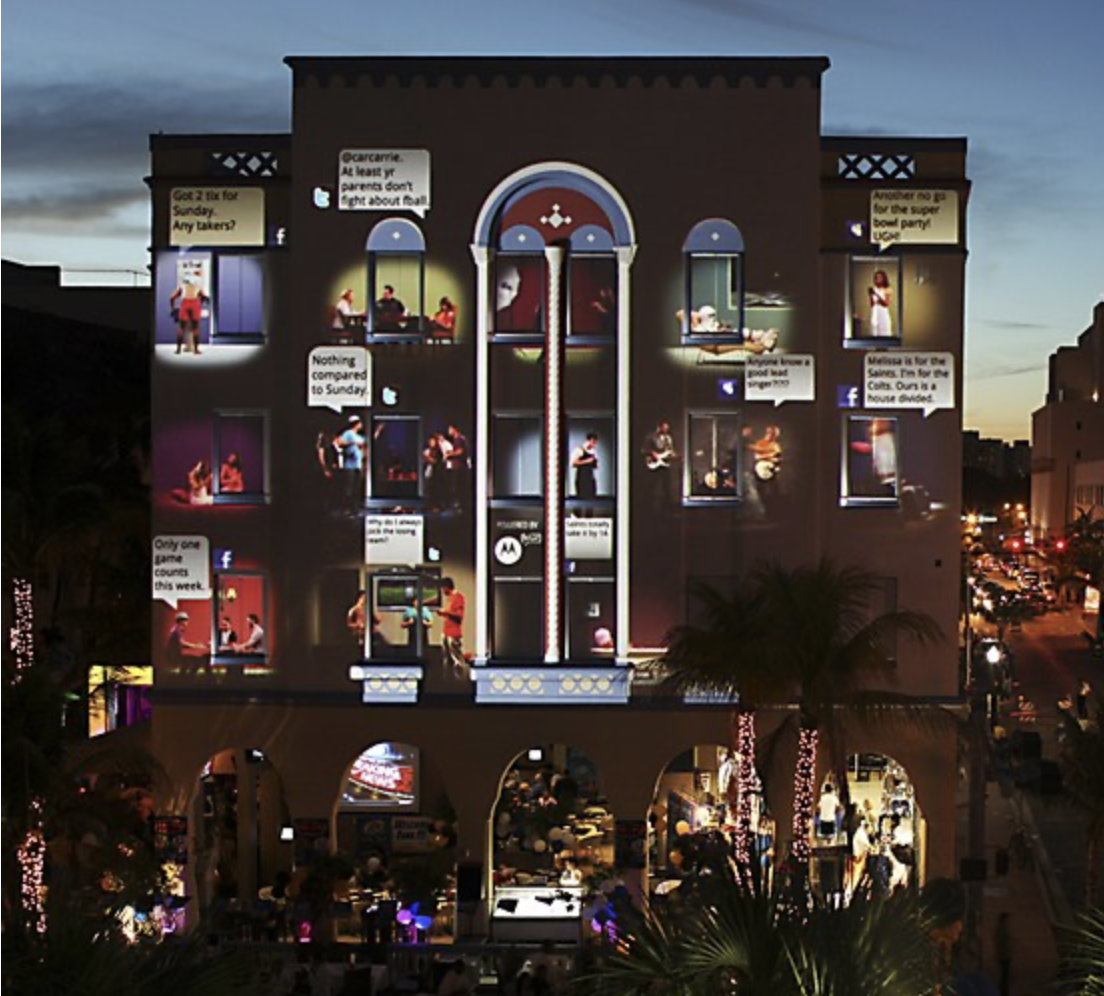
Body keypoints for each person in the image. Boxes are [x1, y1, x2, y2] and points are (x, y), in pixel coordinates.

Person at [334, 415, 367, 512]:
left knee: (357, 488)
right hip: (350, 466)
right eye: (360, 423)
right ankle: (347, 508)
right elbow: (339, 442)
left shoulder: (360, 436)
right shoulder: (348, 433)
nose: (361, 425)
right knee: (349, 487)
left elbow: (364, 445)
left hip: (358, 465)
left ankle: (355, 507)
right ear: (356, 424)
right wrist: (351, 442)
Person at [643, 420, 677, 508]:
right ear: (659, 427)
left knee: (667, 486)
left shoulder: (669, 438)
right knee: (652, 486)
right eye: (664, 427)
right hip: (654, 465)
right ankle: (649, 506)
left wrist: (673, 455)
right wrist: (654, 454)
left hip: (665, 464)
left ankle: (667, 506)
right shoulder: (650, 437)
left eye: (667, 428)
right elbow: (643, 449)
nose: (666, 429)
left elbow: (670, 450)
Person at [169, 277, 207, 354]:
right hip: (195, 304)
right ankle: (196, 350)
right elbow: (203, 296)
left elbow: (172, 298)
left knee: (181, 328)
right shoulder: (198, 285)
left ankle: (178, 350)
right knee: (195, 328)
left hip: (185, 304)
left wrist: (172, 308)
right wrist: (200, 304)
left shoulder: (183, 286)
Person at [436, 577, 466, 672]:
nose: (442, 591)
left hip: (453, 633)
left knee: (457, 660)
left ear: (446, 587)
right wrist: (443, 613)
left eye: (442, 588)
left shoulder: (458, 597)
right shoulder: (450, 598)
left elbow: (460, 615)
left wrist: (446, 612)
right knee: (446, 658)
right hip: (446, 631)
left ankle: (460, 679)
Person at [444, 425, 470, 508]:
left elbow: (460, 451)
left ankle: (460, 504)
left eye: (449, 429)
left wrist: (449, 454)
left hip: (459, 467)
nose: (448, 431)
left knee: (458, 486)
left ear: (454, 429)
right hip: (458, 466)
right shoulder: (458, 439)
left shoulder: (459, 439)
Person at [572, 433, 599, 500]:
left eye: (595, 443)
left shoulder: (594, 452)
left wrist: (595, 463)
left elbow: (595, 466)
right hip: (581, 477)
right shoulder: (579, 450)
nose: (594, 444)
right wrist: (587, 461)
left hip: (590, 476)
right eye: (593, 442)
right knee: (581, 497)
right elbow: (574, 463)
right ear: (589, 441)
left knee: (591, 497)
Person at [868, 269, 894, 338]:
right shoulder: (873, 289)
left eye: (880, 277)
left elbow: (886, 304)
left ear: (884, 278)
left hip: (883, 316)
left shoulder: (887, 289)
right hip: (875, 315)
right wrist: (870, 295)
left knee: (884, 338)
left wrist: (876, 294)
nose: (878, 279)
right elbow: (871, 305)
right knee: (874, 338)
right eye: (876, 277)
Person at [994, 911, 1012, 996]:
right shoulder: (1000, 929)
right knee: (1005, 976)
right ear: (1003, 920)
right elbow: (1000, 943)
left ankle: (1003, 991)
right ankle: (1003, 992)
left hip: (1005, 955)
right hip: (1003, 956)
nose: (1008, 921)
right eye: (1006, 919)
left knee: (1005, 975)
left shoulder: (1002, 928)